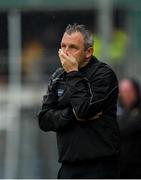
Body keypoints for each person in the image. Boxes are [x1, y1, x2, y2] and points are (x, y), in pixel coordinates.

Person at [38, 23, 120, 179]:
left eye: (73, 47)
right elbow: (44, 120)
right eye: (63, 46)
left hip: (99, 167)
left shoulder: (103, 74)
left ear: (88, 52)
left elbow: (83, 109)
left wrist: (73, 73)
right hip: (68, 166)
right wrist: (72, 113)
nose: (65, 52)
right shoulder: (58, 76)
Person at [117, 78, 141, 178]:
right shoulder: (117, 109)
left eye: (128, 91)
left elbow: (127, 127)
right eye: (123, 92)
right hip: (120, 168)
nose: (125, 95)